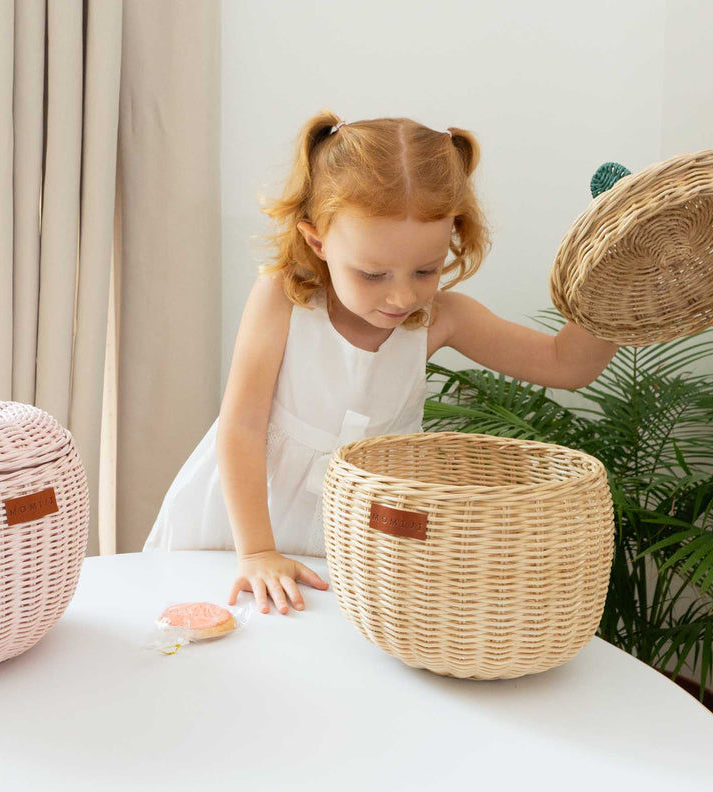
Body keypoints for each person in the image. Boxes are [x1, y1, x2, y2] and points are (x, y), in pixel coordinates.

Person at [143, 111, 617, 617]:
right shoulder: (283, 299)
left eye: (426, 270)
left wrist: (618, 283)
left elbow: (567, 365)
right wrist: (258, 552)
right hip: (242, 526)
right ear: (317, 241)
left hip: (356, 541)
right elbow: (241, 427)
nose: (400, 295)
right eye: (372, 273)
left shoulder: (443, 319)